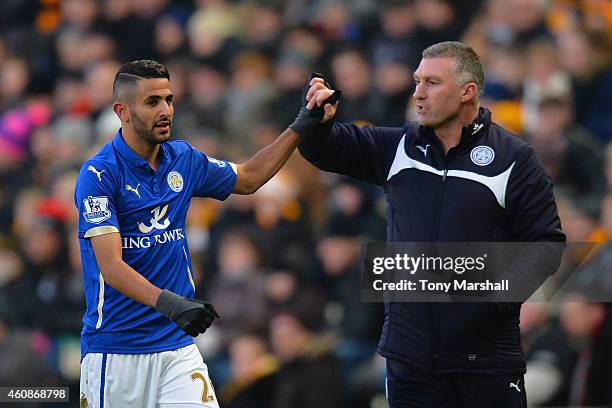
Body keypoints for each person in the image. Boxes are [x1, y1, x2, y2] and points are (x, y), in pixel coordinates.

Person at [294, 41, 565, 407]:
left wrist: (491, 300)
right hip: (410, 363)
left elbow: (546, 244)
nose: (418, 93)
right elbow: (327, 148)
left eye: (432, 83)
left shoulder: (514, 159)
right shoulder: (399, 147)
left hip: (485, 363)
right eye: (417, 81)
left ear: (468, 91)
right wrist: (317, 121)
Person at [74, 60, 332, 408]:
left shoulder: (183, 159)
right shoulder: (99, 175)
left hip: (177, 346)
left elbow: (250, 177)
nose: (165, 110)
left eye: (168, 99)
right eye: (152, 102)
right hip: (118, 350)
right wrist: (171, 303)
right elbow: (110, 266)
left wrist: (302, 124)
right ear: (123, 111)